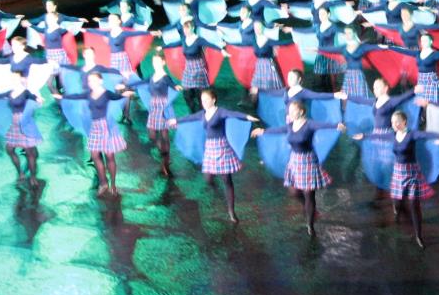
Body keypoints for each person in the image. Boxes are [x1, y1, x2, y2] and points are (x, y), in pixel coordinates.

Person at [251, 101, 346, 235]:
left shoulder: (309, 124)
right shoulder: (290, 126)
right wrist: (262, 131)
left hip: (308, 161)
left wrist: (337, 125)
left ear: (301, 111)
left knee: (308, 194)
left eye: (292, 110)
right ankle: (309, 209)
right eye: (289, 110)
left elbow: (323, 125)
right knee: (294, 192)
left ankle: (310, 224)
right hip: (295, 161)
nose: (289, 113)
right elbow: (278, 130)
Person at [353, 110, 439, 249]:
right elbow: (379, 136)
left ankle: (419, 235)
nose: (394, 125)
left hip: (412, 173)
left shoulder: (411, 134)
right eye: (392, 122)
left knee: (414, 204)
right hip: (398, 172)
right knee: (399, 202)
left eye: (397, 122)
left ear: (404, 122)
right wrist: (364, 135)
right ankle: (399, 212)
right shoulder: (393, 135)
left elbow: (426, 134)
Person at [178, 89, 259, 223]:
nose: (203, 103)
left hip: (221, 147)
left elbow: (233, 114)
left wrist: (247, 117)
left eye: (206, 100)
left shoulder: (220, 112)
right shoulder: (203, 113)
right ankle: (216, 187)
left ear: (213, 100)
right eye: (202, 100)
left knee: (226, 180)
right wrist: (176, 120)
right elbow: (189, 117)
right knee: (208, 178)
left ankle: (231, 210)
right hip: (210, 148)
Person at [54, 72, 135, 197]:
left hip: (106, 127)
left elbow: (117, 97)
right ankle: (103, 183)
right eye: (89, 81)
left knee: (109, 156)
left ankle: (113, 184)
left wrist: (124, 93)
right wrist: (63, 97)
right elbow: (77, 96)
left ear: (100, 81)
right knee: (95, 155)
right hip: (95, 127)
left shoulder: (106, 93)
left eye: (93, 80)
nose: (91, 83)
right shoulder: (88, 94)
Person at [0, 72, 44, 187]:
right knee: (10, 149)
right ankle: (20, 173)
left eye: (16, 78)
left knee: (29, 153)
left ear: (20, 79)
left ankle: (33, 176)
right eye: (12, 78)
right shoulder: (10, 92)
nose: (13, 80)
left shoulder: (25, 92)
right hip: (14, 123)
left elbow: (35, 98)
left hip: (24, 123)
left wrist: (39, 99)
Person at [129, 53, 181, 176]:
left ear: (163, 63)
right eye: (154, 62)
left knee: (164, 135)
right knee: (152, 135)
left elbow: (173, 86)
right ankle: (163, 152)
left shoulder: (166, 77)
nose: (155, 64)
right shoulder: (152, 76)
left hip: (163, 107)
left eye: (158, 62)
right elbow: (141, 83)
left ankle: (165, 163)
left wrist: (176, 87)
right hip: (154, 107)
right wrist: (126, 85)